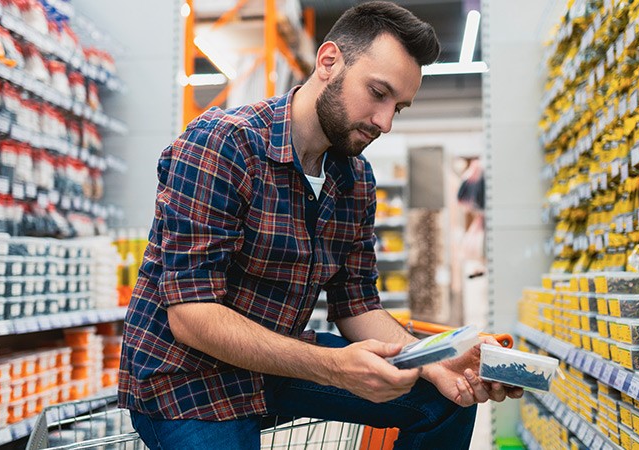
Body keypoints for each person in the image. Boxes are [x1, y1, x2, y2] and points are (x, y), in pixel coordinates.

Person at [118, 2, 523, 449]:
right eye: (378, 92)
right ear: (328, 61)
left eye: (399, 108)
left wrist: (431, 361)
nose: (385, 122)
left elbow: (357, 306)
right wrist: (332, 367)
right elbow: (191, 318)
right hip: (188, 379)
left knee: (442, 399)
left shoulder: (355, 178)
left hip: (276, 364)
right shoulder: (223, 144)